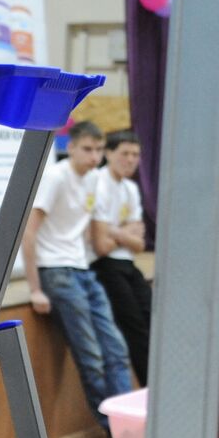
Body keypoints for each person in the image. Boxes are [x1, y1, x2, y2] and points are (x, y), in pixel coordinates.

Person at [22, 120, 133, 438]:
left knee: (116, 350)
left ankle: (128, 431)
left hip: (82, 270)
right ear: (70, 147)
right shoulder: (56, 177)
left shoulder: (94, 181)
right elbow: (29, 231)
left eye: (99, 150)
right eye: (87, 149)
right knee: (92, 357)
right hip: (56, 272)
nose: (94, 156)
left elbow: (94, 232)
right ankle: (115, 434)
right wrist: (35, 288)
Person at [89, 129, 153, 386]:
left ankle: (160, 384)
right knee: (134, 325)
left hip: (127, 262)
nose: (130, 160)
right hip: (104, 265)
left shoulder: (130, 189)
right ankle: (150, 387)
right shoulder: (97, 183)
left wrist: (114, 232)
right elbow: (101, 246)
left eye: (135, 155)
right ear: (108, 154)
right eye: (124, 153)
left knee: (152, 316)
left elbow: (139, 244)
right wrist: (123, 233)